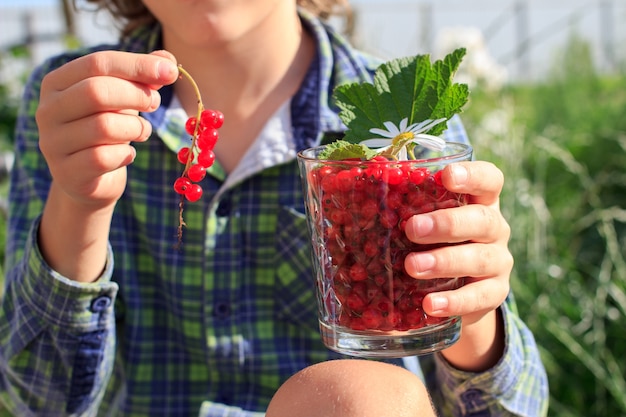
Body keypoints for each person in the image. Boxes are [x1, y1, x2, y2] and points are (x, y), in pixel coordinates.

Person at [0, 0, 549, 415]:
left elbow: (510, 407)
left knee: (369, 394)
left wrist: (473, 319)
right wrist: (78, 205)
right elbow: (41, 400)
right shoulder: (75, 107)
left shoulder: (403, 126)